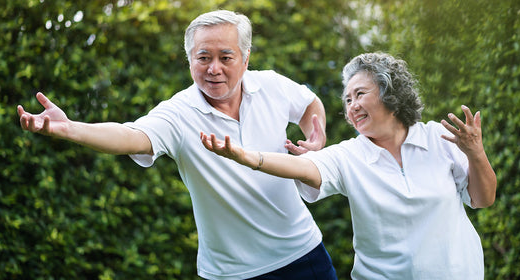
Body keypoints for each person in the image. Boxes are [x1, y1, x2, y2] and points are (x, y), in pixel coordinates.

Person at [17, 10, 338, 280]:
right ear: (189, 59)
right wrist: (72, 129)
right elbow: (129, 136)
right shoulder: (178, 113)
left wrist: (316, 133)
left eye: (226, 57)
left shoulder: (271, 85)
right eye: (203, 57)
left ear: (245, 58)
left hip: (303, 255)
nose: (214, 68)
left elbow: (310, 104)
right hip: (230, 272)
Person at [201, 52, 497, 279]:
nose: (351, 106)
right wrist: (249, 157)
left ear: (390, 94)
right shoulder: (349, 155)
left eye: (360, 94)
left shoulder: (437, 137)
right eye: (347, 99)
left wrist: (475, 153)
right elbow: (306, 169)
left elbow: (483, 199)